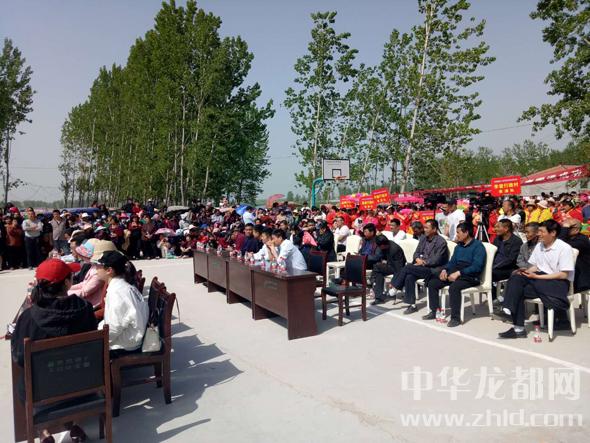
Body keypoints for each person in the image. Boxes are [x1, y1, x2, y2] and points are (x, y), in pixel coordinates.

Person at [11, 258, 96, 443]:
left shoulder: (29, 317)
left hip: (42, 392)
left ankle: (43, 432)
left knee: (24, 380)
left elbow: (19, 358)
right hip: (85, 385)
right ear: (66, 283)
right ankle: (74, 423)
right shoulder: (85, 309)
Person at [499, 220, 575, 339]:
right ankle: (512, 317)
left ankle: (515, 321)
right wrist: (527, 272)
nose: (538, 234)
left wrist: (536, 276)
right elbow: (536, 266)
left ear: (553, 233)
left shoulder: (564, 248)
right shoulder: (540, 246)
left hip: (557, 284)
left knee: (517, 290)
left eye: (542, 231)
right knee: (516, 277)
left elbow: (563, 275)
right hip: (540, 280)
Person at [423, 222, 486, 327]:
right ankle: (435, 312)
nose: (456, 235)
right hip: (456, 272)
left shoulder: (478, 246)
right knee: (433, 283)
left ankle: (455, 318)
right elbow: (452, 262)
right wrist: (445, 270)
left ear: (466, 233)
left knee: (454, 287)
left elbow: (477, 266)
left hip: (471, 276)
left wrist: (459, 273)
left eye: (458, 232)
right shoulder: (459, 246)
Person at [391, 219, 449, 313]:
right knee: (409, 276)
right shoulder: (423, 239)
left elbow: (437, 260)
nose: (424, 230)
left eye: (427, 228)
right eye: (424, 227)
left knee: (408, 267)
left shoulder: (441, 242)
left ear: (434, 229)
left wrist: (423, 262)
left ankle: (396, 286)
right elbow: (416, 252)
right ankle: (412, 305)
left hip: (433, 269)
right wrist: (417, 258)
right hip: (421, 267)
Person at [96, 251, 149, 352]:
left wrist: (97, 340)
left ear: (109, 270)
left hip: (124, 344)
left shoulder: (117, 292)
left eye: (98, 265)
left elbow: (114, 328)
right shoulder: (123, 286)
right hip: (129, 337)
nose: (96, 268)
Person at [370, 235, 407, 305]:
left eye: (378, 246)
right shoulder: (384, 247)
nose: (378, 247)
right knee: (377, 268)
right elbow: (381, 257)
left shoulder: (395, 249)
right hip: (390, 265)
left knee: (377, 268)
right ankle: (379, 297)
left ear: (382, 245)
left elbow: (399, 268)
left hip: (397, 267)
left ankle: (372, 283)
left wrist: (393, 282)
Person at [491, 219, 523, 300]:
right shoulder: (497, 239)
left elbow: (511, 260)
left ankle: (494, 298)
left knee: (490, 273)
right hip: (495, 266)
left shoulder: (516, 241)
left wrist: (495, 266)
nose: (495, 229)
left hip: (508, 269)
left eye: (498, 227)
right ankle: (493, 294)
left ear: (506, 229)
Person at [68, 241, 105, 308]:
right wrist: (68, 288)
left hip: (93, 305)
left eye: (84, 255)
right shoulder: (93, 266)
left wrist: (65, 293)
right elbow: (83, 284)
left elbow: (85, 292)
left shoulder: (98, 272)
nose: (82, 257)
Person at [561, 218, 590, 294]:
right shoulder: (566, 238)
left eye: (568, 228)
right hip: (570, 276)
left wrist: (564, 229)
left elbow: (560, 245)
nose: (564, 230)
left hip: (581, 279)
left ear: (576, 230)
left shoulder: (582, 240)